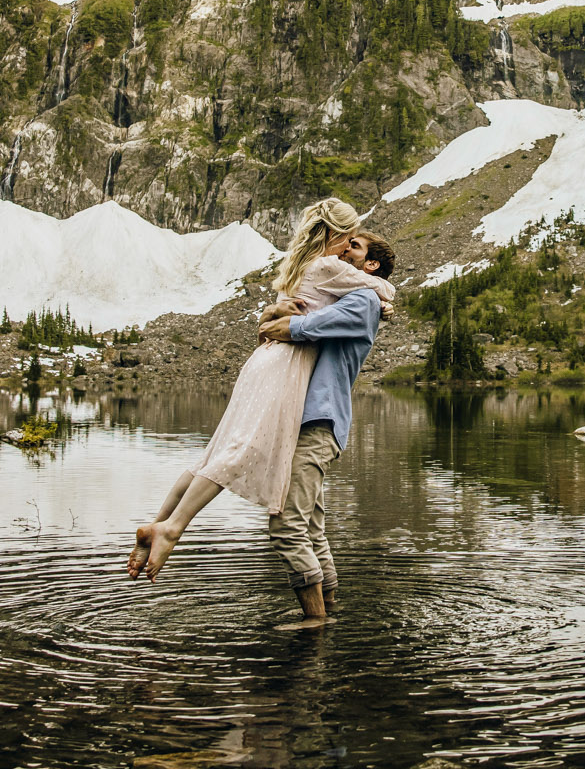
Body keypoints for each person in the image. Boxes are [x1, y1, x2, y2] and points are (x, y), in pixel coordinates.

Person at [126, 200, 394, 595]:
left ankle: (163, 520)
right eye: (349, 241)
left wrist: (273, 316)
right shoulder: (333, 269)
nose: (349, 250)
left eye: (357, 247)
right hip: (285, 368)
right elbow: (381, 289)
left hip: (268, 365)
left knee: (221, 451)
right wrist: (386, 300)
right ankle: (172, 528)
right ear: (336, 236)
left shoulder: (305, 267)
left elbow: (297, 315)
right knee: (240, 450)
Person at [255, 228, 395, 621]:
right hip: (311, 421)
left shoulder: (364, 299)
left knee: (287, 528)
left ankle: (315, 625)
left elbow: (305, 324)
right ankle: (329, 613)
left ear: (371, 265)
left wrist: (280, 323)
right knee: (312, 529)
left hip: (320, 421)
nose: (342, 249)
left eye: (354, 246)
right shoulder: (360, 296)